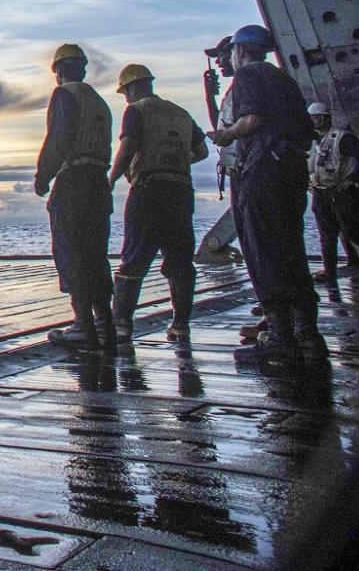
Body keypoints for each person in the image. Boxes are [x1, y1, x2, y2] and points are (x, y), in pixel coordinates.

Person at [207, 24, 323, 363]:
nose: (227, 58)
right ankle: (307, 333)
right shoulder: (284, 79)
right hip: (291, 170)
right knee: (291, 250)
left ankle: (280, 337)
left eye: (230, 53)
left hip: (263, 169)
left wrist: (227, 134)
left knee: (263, 252)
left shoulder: (248, 76)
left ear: (241, 50)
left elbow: (252, 119)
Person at [106, 64, 210, 343]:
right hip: (180, 191)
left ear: (130, 88)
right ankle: (180, 325)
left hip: (148, 191)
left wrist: (112, 179)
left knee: (133, 258)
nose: (125, 98)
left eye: (125, 92)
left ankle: (122, 325)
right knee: (180, 260)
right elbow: (201, 151)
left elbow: (127, 147)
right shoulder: (180, 113)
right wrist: (174, 161)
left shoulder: (136, 110)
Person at [35, 44, 116, 351]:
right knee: (96, 254)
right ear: (83, 68)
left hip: (75, 181)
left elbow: (59, 136)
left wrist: (43, 175)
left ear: (57, 70)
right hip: (98, 182)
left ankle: (83, 324)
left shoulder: (64, 94)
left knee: (72, 251)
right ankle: (103, 322)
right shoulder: (99, 101)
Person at [307, 101, 359, 283]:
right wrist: (308, 182)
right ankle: (329, 271)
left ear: (325, 118)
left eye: (316, 118)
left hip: (343, 193)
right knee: (326, 235)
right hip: (321, 193)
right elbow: (307, 165)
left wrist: (352, 179)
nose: (314, 122)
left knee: (355, 230)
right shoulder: (310, 142)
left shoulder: (344, 138)